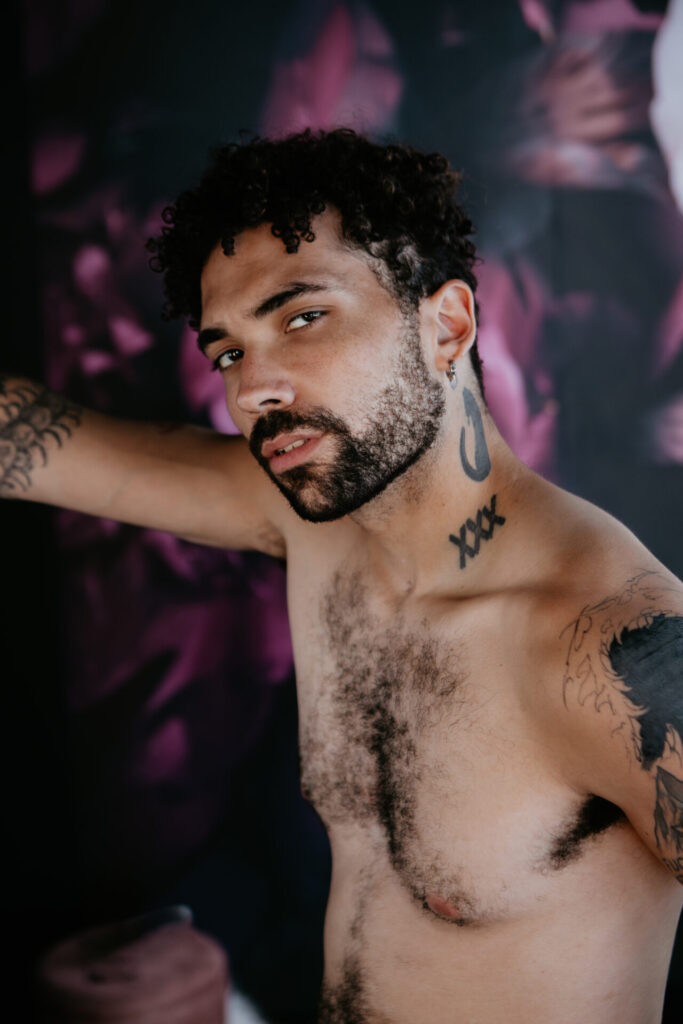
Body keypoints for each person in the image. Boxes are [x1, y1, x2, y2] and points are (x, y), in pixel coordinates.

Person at [2, 128, 682, 1023]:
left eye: (299, 318)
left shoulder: (606, 645)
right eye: (229, 352)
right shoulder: (317, 519)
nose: (252, 391)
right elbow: (27, 443)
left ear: (446, 325)